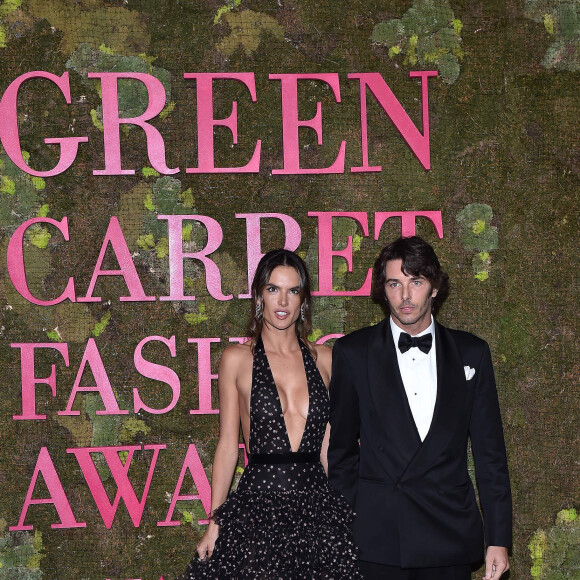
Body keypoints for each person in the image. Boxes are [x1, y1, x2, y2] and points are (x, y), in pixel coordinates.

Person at [328, 236, 512, 580]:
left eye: (416, 282)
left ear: (435, 287)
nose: (405, 296)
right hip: (378, 539)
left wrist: (499, 539)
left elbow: (491, 457)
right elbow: (341, 455)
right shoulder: (353, 352)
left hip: (448, 532)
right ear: (384, 290)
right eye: (394, 283)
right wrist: (343, 531)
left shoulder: (472, 353)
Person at [181, 249, 362, 579]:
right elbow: (227, 445)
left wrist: (348, 513)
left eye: (293, 291)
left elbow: (330, 450)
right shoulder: (237, 359)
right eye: (273, 289)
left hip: (316, 508)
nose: (283, 301)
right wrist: (214, 521)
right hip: (258, 509)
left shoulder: (326, 359)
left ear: (303, 299)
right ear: (259, 295)